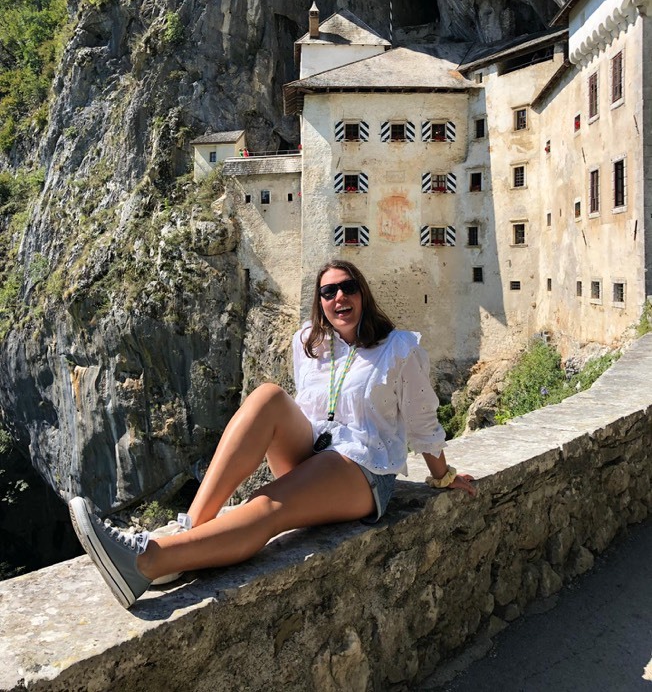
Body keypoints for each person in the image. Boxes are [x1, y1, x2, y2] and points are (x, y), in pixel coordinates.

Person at [69, 260, 475, 609]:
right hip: (316, 453)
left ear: (362, 294)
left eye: (347, 288)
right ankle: (191, 529)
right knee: (267, 397)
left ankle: (147, 563)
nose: (339, 298)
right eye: (328, 292)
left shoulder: (399, 348)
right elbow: (308, 410)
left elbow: (423, 421)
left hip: (363, 469)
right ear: (320, 303)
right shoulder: (308, 343)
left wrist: (442, 475)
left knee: (266, 505)